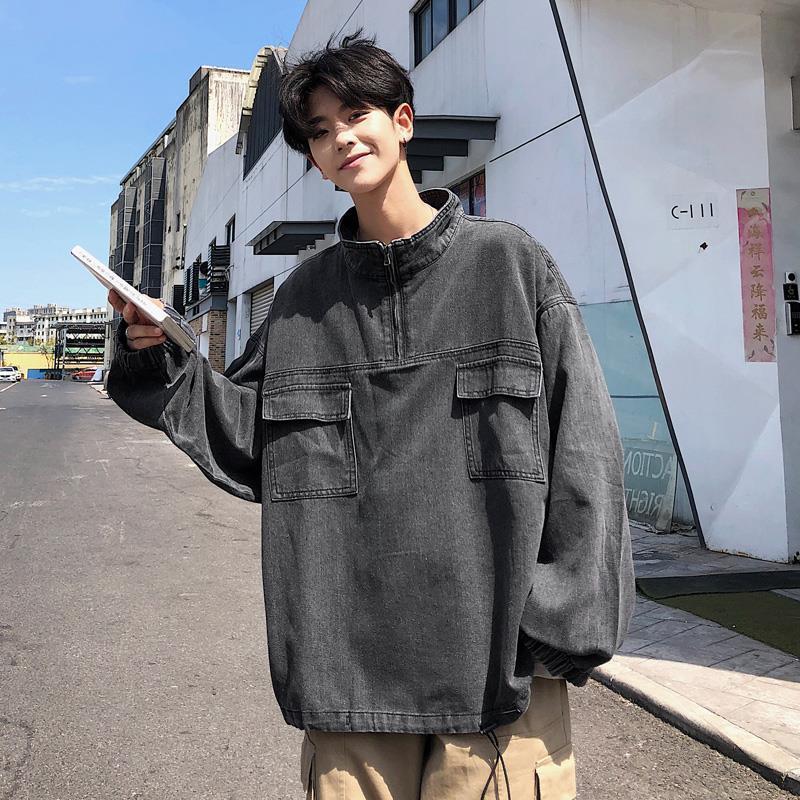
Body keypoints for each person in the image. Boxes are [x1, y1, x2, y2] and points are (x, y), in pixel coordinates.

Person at [107, 28, 635, 800]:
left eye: (357, 114)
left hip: (498, 673)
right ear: (316, 162)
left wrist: (561, 623)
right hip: (346, 671)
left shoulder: (511, 268)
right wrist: (161, 354)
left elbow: (585, 451)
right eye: (320, 131)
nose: (342, 137)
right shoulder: (300, 302)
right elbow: (247, 432)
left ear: (404, 122)